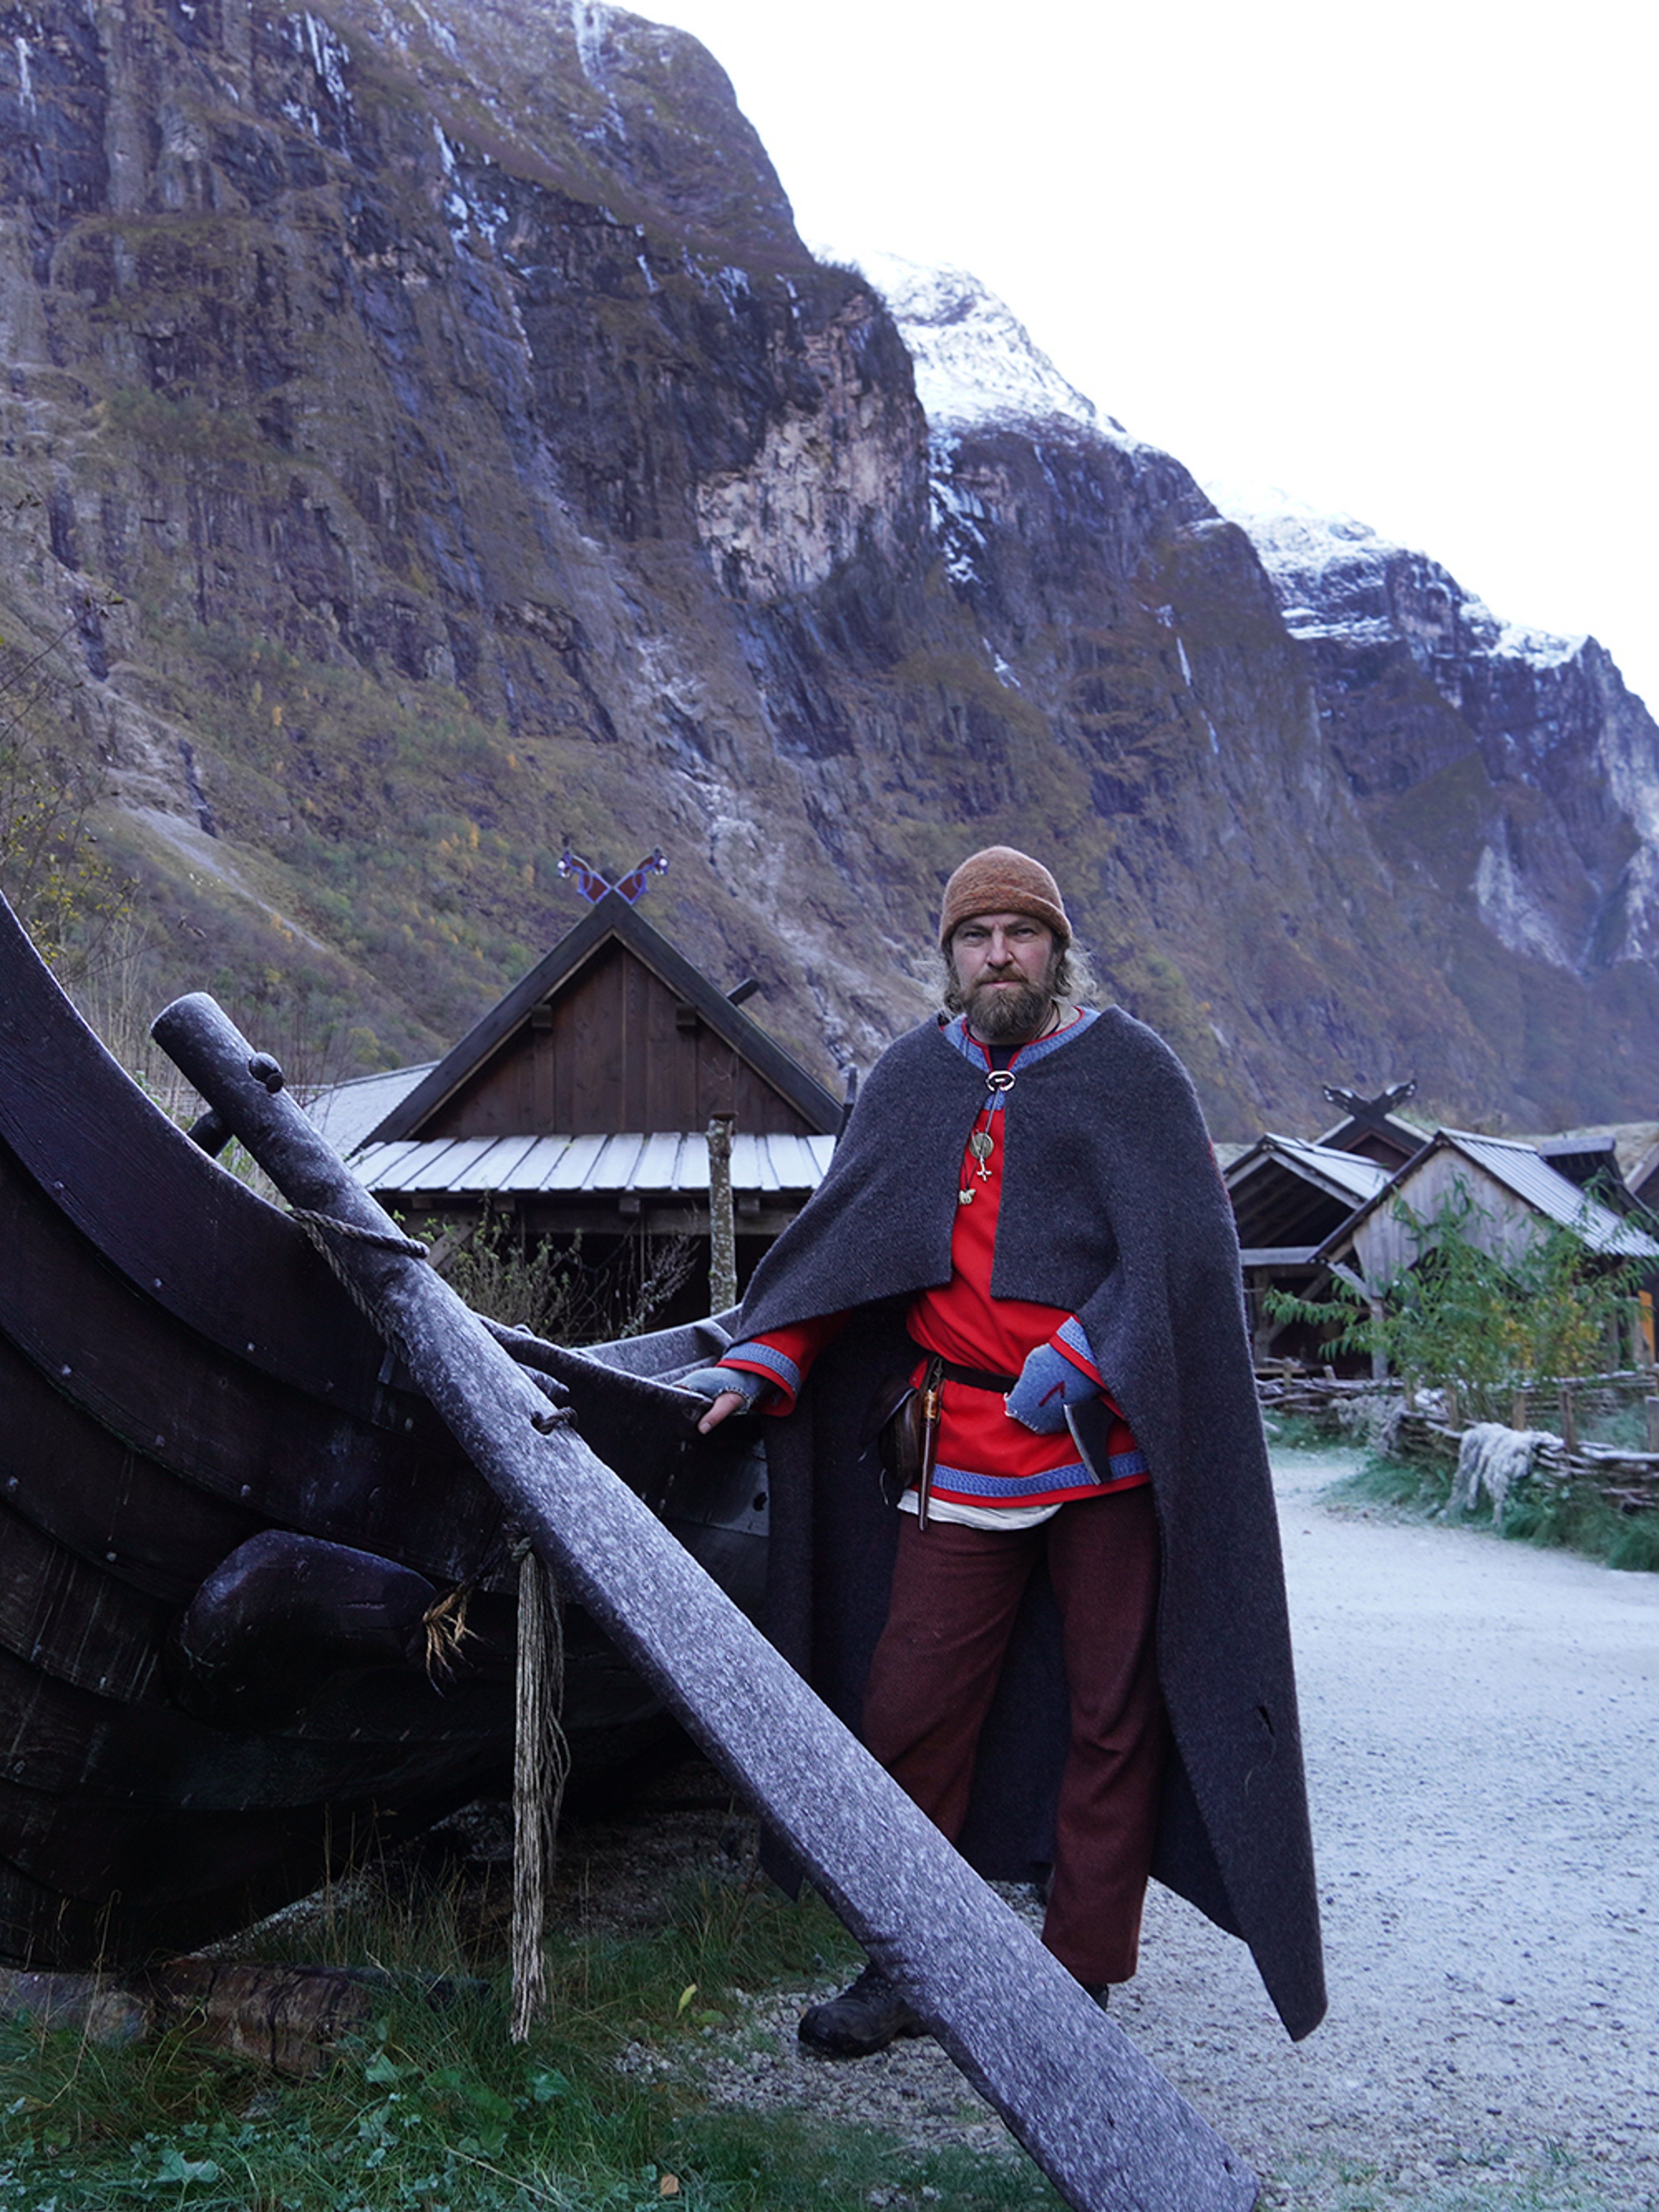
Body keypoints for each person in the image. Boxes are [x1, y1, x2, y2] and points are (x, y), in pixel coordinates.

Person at [682, 846, 1325, 2057]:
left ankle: (1075, 1977)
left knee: (1113, 1715)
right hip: (958, 1445)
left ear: (1055, 948)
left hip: (1106, 1449)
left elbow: (1186, 1259)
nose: (998, 956)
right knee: (912, 1701)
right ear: (948, 959)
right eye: (975, 937)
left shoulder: (1135, 1073)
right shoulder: (913, 1080)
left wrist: (1087, 1351)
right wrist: (764, 1357)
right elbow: (849, 1242)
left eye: (1020, 933)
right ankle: (910, 1962)